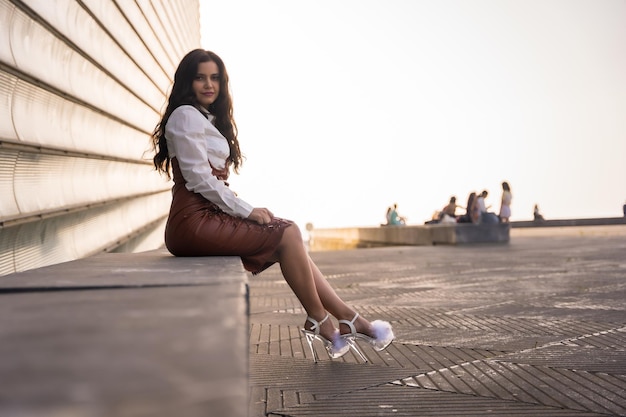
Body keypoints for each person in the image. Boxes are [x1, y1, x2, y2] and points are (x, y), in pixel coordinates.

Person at [151, 49, 392, 362]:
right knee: (288, 231)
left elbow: (210, 181)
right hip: (192, 222)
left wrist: (243, 210)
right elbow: (199, 179)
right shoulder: (185, 115)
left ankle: (344, 320)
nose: (208, 84)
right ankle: (327, 321)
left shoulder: (202, 117)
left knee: (287, 241)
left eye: (215, 78)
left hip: (204, 217)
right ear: (187, 81)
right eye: (200, 77)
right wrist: (247, 210)